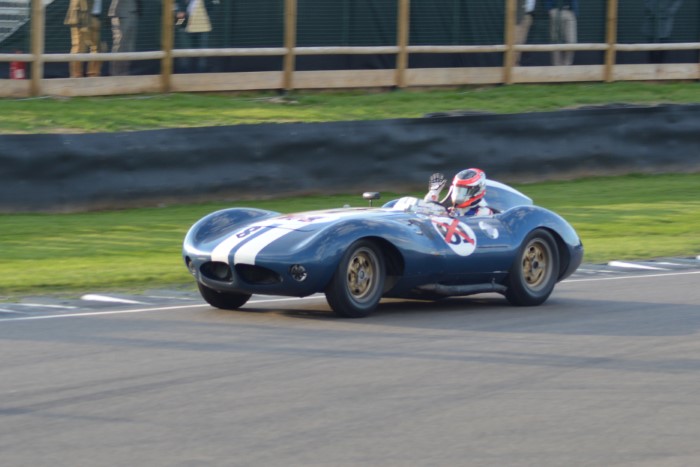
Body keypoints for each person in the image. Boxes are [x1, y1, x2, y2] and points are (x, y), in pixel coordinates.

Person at [424, 169, 494, 217]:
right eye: (457, 189)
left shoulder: (483, 212)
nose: (459, 195)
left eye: (463, 190)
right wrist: (433, 193)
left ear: (477, 190)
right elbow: (426, 212)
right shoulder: (451, 209)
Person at [174, 0, 219, 73]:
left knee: (202, 55)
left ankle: (201, 75)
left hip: (202, 26)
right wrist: (179, 21)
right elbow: (179, 14)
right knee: (184, 55)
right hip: (184, 27)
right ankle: (185, 74)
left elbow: (212, 6)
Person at [64, 0, 103, 77]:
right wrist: (83, 20)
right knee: (80, 48)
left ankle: (93, 76)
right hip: (82, 16)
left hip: (95, 17)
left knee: (98, 49)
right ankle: (76, 77)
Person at [108, 0, 141, 76]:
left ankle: (124, 73)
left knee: (129, 47)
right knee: (120, 45)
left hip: (133, 12)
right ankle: (115, 73)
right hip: (121, 13)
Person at [544, 0, 578, 66]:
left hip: (569, 11)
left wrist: (574, 11)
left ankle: (566, 66)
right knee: (555, 41)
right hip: (556, 10)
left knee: (572, 41)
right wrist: (549, 9)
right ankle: (557, 67)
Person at [515, 0, 536, 66]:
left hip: (529, 16)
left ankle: (517, 62)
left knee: (522, 41)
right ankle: (513, 63)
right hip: (518, 16)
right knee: (516, 41)